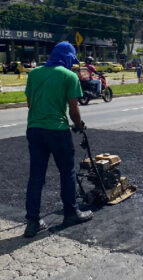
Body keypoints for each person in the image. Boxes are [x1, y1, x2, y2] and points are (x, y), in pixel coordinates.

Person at [24, 42, 93, 238]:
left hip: (34, 130)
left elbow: (30, 104)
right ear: (69, 57)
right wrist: (79, 126)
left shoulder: (34, 73)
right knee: (67, 172)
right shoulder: (69, 76)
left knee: (36, 176)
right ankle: (71, 213)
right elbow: (73, 110)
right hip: (57, 131)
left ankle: (33, 221)